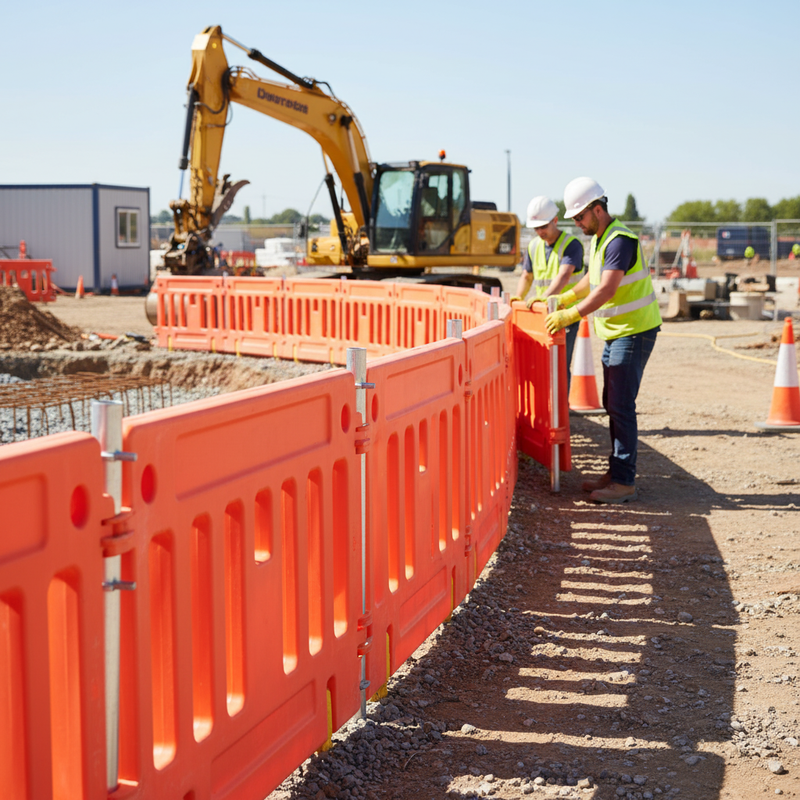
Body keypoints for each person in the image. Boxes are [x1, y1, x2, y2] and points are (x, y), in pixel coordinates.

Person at [545, 177, 662, 504]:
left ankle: (624, 482)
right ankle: (616, 472)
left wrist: (571, 315)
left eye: (580, 217)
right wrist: (564, 299)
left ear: (598, 209)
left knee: (621, 405)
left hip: (634, 331)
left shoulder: (620, 240)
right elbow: (590, 282)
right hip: (618, 332)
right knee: (613, 402)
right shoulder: (601, 238)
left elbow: (607, 289)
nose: (577, 223)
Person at [515, 196, 585, 387]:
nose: (540, 232)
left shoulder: (572, 244)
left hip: (566, 313)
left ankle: (562, 411)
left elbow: (563, 276)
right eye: (536, 228)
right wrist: (518, 298)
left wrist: (543, 299)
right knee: (541, 362)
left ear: (555, 220)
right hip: (541, 312)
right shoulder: (533, 245)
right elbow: (527, 276)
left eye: (543, 226)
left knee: (560, 362)